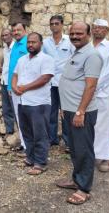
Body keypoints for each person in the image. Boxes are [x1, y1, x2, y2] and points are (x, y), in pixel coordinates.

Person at [56, 21, 103, 205]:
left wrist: (80, 111)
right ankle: (77, 179)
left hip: (81, 112)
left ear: (88, 34)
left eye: (79, 33)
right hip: (70, 111)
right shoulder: (77, 52)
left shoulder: (92, 55)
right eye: (73, 33)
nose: (75, 36)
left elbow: (91, 86)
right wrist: (64, 108)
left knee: (83, 149)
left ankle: (84, 188)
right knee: (74, 149)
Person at [12, 33, 54, 175]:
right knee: (27, 133)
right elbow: (15, 74)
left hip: (39, 103)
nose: (30, 45)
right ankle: (30, 158)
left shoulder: (46, 59)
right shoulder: (22, 59)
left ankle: (40, 163)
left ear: (40, 43)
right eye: (29, 42)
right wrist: (14, 86)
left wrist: (24, 87)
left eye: (34, 42)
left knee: (40, 134)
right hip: (23, 102)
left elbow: (45, 78)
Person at [91, 19, 109, 172]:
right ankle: (94, 154)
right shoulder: (87, 46)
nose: (97, 30)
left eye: (101, 28)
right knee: (92, 124)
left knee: (106, 125)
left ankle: (106, 158)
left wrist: (93, 87)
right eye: (95, 28)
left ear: (107, 31)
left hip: (105, 92)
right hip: (88, 92)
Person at [42, 15, 74, 148]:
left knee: (65, 112)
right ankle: (52, 138)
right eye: (52, 24)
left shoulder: (69, 41)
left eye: (56, 23)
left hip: (65, 82)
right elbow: (42, 59)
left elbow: (74, 59)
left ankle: (68, 141)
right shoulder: (45, 43)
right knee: (51, 112)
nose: (54, 26)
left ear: (62, 25)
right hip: (50, 83)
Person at [7, 22, 28, 150]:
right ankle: (24, 143)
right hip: (13, 87)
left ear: (25, 30)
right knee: (19, 118)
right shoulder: (15, 46)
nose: (16, 33)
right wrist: (10, 87)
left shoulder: (28, 44)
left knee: (25, 118)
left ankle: (28, 146)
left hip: (23, 88)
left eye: (19, 30)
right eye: (14, 31)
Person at [0, 28, 15, 134]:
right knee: (6, 109)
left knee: (15, 109)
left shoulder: (16, 48)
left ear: (11, 35)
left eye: (6, 35)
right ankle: (9, 131)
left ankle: (20, 134)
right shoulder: (5, 48)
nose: (5, 37)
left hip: (13, 83)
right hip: (4, 82)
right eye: (3, 36)